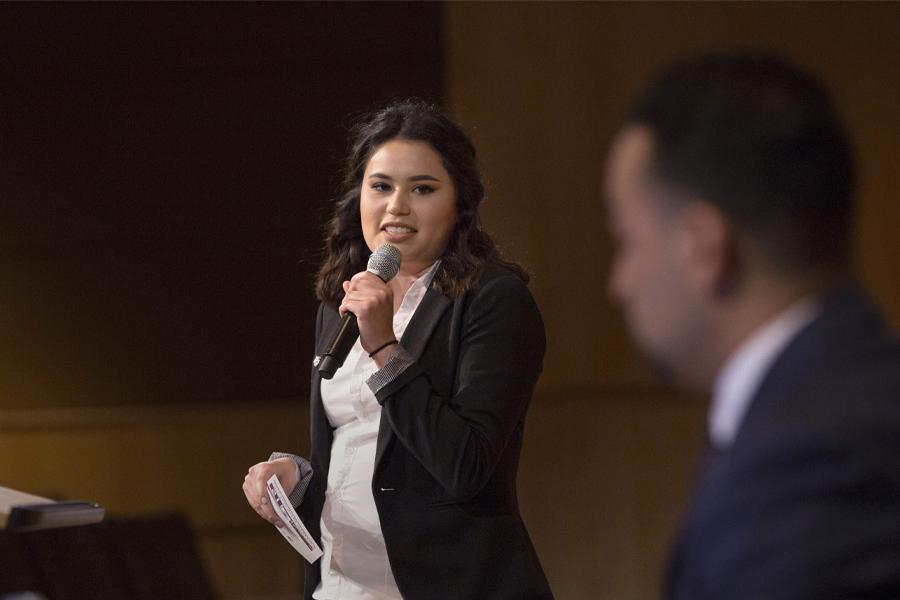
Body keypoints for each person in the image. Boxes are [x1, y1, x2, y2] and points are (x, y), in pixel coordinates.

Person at [605, 51, 900, 599]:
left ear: (703, 247)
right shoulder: (861, 389)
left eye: (627, 242)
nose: (618, 284)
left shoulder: (807, 469)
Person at [242, 100, 553, 599]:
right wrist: (299, 478)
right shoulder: (340, 300)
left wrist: (385, 346)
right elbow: (365, 451)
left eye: (423, 189)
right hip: (343, 587)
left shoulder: (493, 301)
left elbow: (466, 466)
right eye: (380, 186)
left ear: (460, 204)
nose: (397, 207)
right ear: (358, 195)